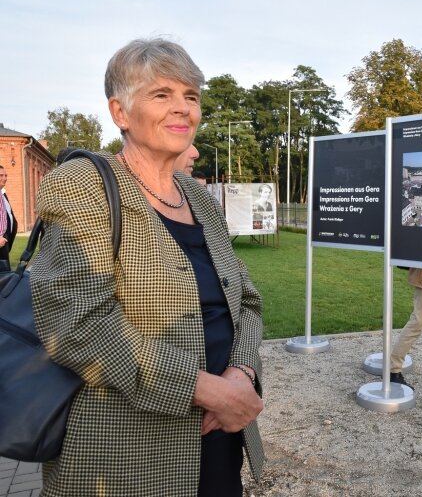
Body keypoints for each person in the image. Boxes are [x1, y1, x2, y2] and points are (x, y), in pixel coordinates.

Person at [30, 38, 264, 497]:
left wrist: (242, 374)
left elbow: (247, 301)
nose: (183, 109)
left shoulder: (198, 197)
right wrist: (207, 391)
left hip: (221, 440)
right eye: (162, 94)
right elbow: (78, 325)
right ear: (120, 112)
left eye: (191, 96)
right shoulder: (83, 185)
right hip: (127, 456)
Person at [0, 165, 17, 264]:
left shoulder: (2, 194)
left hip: (4, 241)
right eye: (1, 175)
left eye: (6, 175)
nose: (5, 178)